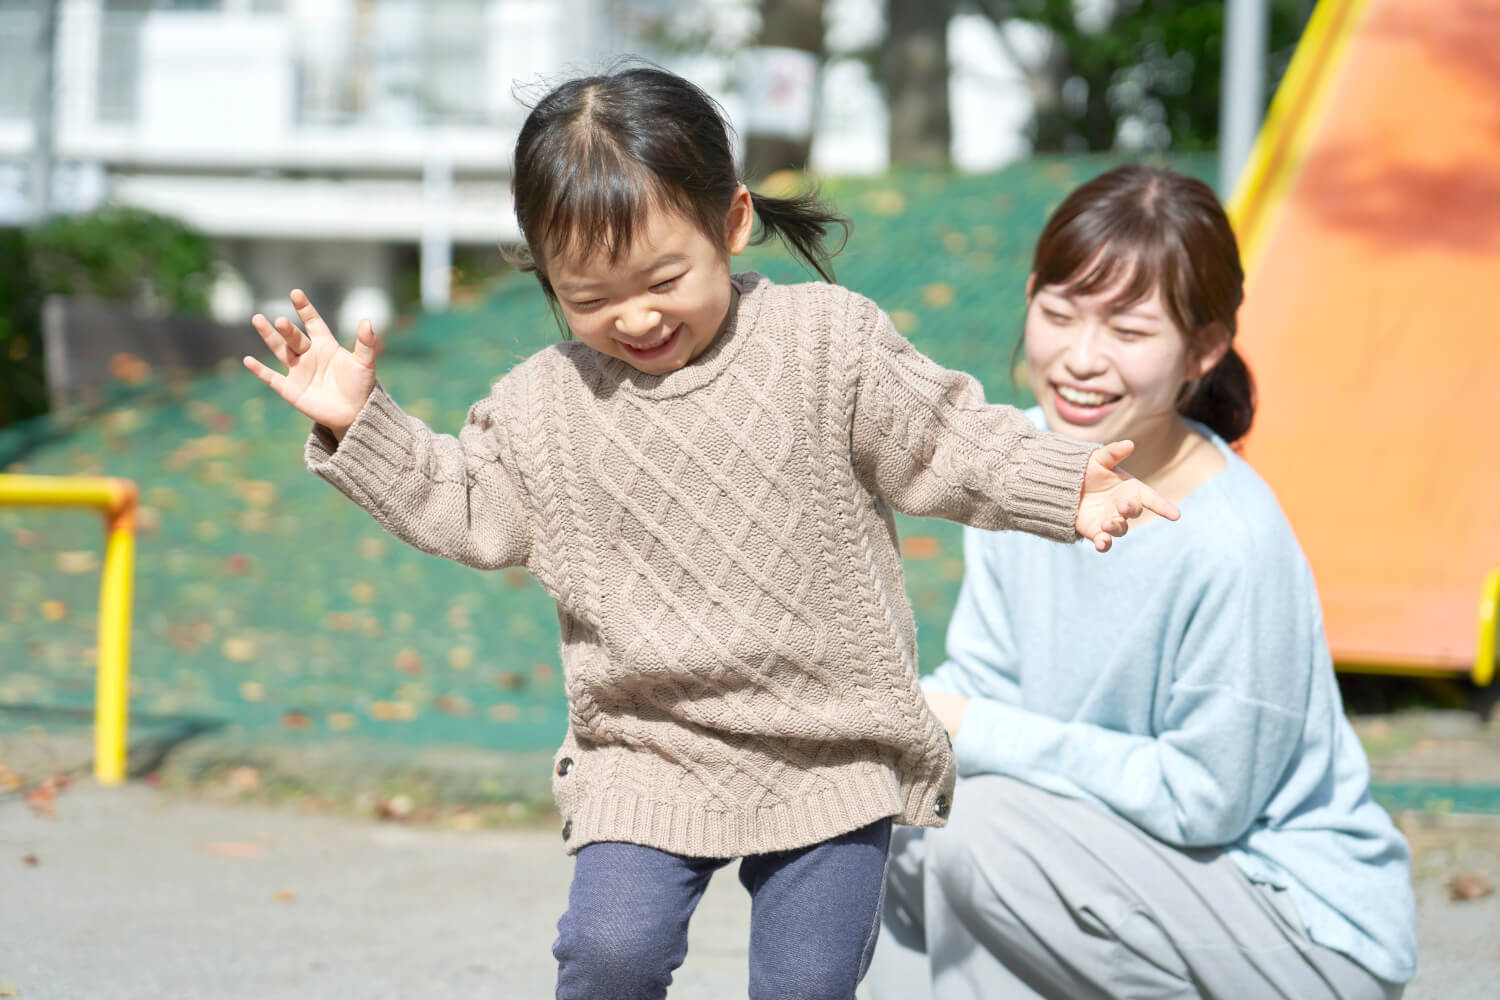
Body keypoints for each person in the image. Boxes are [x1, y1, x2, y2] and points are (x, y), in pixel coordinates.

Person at [242, 67, 1179, 1000]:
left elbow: (944, 438)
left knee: (807, 982)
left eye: (664, 279)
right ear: (545, 275)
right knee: (611, 952)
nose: (637, 316)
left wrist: (1064, 482)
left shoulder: (825, 344)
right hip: (647, 746)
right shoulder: (545, 406)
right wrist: (360, 424)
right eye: (590, 296)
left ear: (731, 222)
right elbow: (465, 500)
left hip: (830, 742)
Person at [867, 165, 1418, 1000]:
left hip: (1295, 928)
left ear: (1204, 349)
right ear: (1030, 299)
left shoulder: (1230, 541)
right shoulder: (1022, 468)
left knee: (977, 830)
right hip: (1113, 859)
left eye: (1129, 331)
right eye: (1060, 315)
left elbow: (1206, 800)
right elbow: (984, 685)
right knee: (884, 811)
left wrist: (970, 726)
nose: (1082, 359)